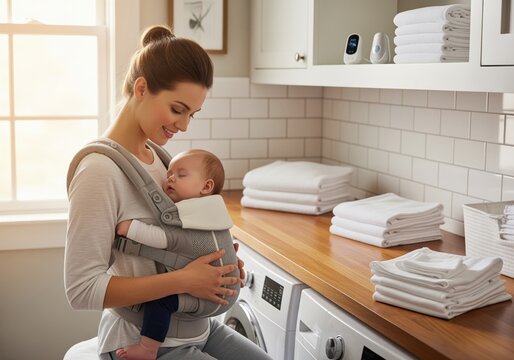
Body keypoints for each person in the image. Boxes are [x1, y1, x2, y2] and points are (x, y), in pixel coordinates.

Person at [65, 24, 272, 360]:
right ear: (142, 88)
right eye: (178, 109)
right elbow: (81, 290)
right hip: (142, 338)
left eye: (192, 113)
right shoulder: (99, 171)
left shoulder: (163, 163)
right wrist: (187, 280)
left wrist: (217, 270)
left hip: (194, 327)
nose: (185, 125)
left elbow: (174, 243)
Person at [115, 149, 231, 360]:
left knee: (160, 299)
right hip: (223, 297)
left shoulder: (193, 216)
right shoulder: (213, 211)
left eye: (181, 174)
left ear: (206, 186)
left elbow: (166, 239)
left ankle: (148, 348)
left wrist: (130, 228)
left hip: (210, 301)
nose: (170, 178)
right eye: (169, 173)